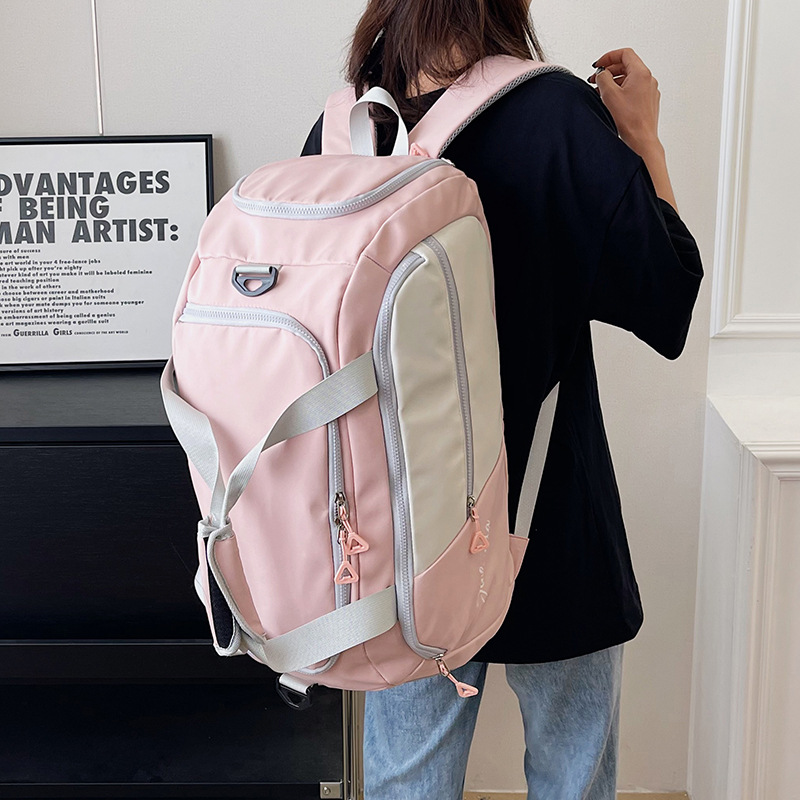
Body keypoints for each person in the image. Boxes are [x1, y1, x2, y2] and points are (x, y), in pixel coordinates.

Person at [301, 1, 704, 798]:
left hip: (400, 531)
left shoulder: (348, 128)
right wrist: (644, 138)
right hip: (546, 515)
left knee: (406, 783)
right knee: (572, 774)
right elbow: (668, 300)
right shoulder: (557, 115)